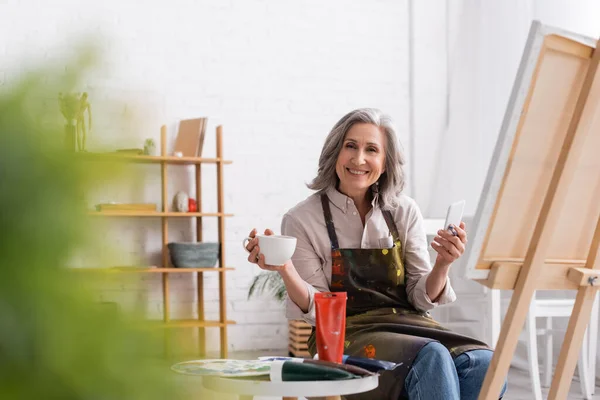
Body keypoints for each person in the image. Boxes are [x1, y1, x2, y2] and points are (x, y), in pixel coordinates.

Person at [245, 108, 507, 399]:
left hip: (412, 326)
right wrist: (285, 268)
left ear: (384, 163)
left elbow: (420, 297)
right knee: (431, 356)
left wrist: (443, 264)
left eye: (371, 149)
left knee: (485, 365)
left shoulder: (404, 210)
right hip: (345, 335)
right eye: (350, 146)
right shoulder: (302, 218)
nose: (359, 159)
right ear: (335, 153)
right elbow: (318, 311)